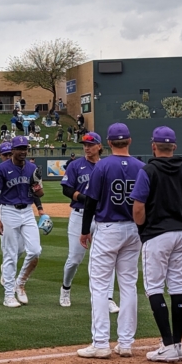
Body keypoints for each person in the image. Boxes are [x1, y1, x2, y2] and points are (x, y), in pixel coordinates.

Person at [131, 126, 182, 363]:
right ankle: (177, 344)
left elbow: (138, 208)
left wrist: (142, 229)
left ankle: (169, 345)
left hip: (157, 234)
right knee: (177, 287)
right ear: (174, 147)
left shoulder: (148, 170)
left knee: (154, 288)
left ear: (154, 146)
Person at [77, 123, 144, 358]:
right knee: (128, 285)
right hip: (134, 230)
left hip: (108, 229)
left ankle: (101, 343)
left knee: (99, 286)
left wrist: (85, 230)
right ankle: (126, 343)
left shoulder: (102, 166)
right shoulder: (141, 167)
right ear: (129, 141)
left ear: (107, 142)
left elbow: (90, 201)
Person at [59, 132, 119, 312]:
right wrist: (84, 198)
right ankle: (65, 288)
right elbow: (66, 189)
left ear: (99, 146)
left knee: (108, 258)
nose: (87, 147)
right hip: (79, 215)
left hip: (101, 217)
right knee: (75, 259)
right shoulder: (75, 165)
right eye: (84, 145)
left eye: (90, 144)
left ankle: (108, 298)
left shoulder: (107, 165)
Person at [0, 135, 44, 307]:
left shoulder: (32, 168)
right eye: (19, 149)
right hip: (8, 211)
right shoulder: (2, 169)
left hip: (27, 211)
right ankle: (8, 296)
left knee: (35, 250)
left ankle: (20, 283)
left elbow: (38, 193)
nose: (23, 152)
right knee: (10, 254)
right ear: (12, 150)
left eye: (25, 148)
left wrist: (38, 190)